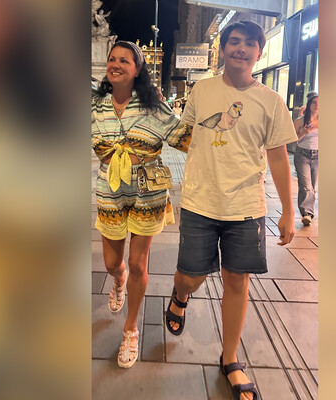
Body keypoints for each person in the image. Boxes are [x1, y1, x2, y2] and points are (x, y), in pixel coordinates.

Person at [165, 21, 297, 400]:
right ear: (222, 49)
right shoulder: (202, 90)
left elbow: (278, 158)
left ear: (259, 52)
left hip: (246, 207)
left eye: (249, 44)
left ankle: (230, 359)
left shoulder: (272, 101)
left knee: (237, 281)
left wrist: (288, 211)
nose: (241, 48)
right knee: (191, 277)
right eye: (234, 42)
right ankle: (180, 296)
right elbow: (185, 135)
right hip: (200, 201)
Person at [91, 41, 191, 369]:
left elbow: (183, 137)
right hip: (110, 189)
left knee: (138, 263)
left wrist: (225, 138)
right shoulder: (95, 105)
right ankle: (118, 279)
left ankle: (131, 329)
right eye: (112, 59)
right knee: (112, 263)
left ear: (137, 70)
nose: (116, 64)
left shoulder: (153, 106)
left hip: (147, 191)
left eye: (125, 60)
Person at [293, 92, 319, 226]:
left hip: (318, 156)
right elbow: (292, 140)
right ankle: (307, 213)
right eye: (314, 102)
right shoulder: (300, 121)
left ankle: (309, 211)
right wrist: (304, 132)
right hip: (302, 154)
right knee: (306, 185)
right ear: (309, 104)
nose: (317, 105)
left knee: (312, 186)